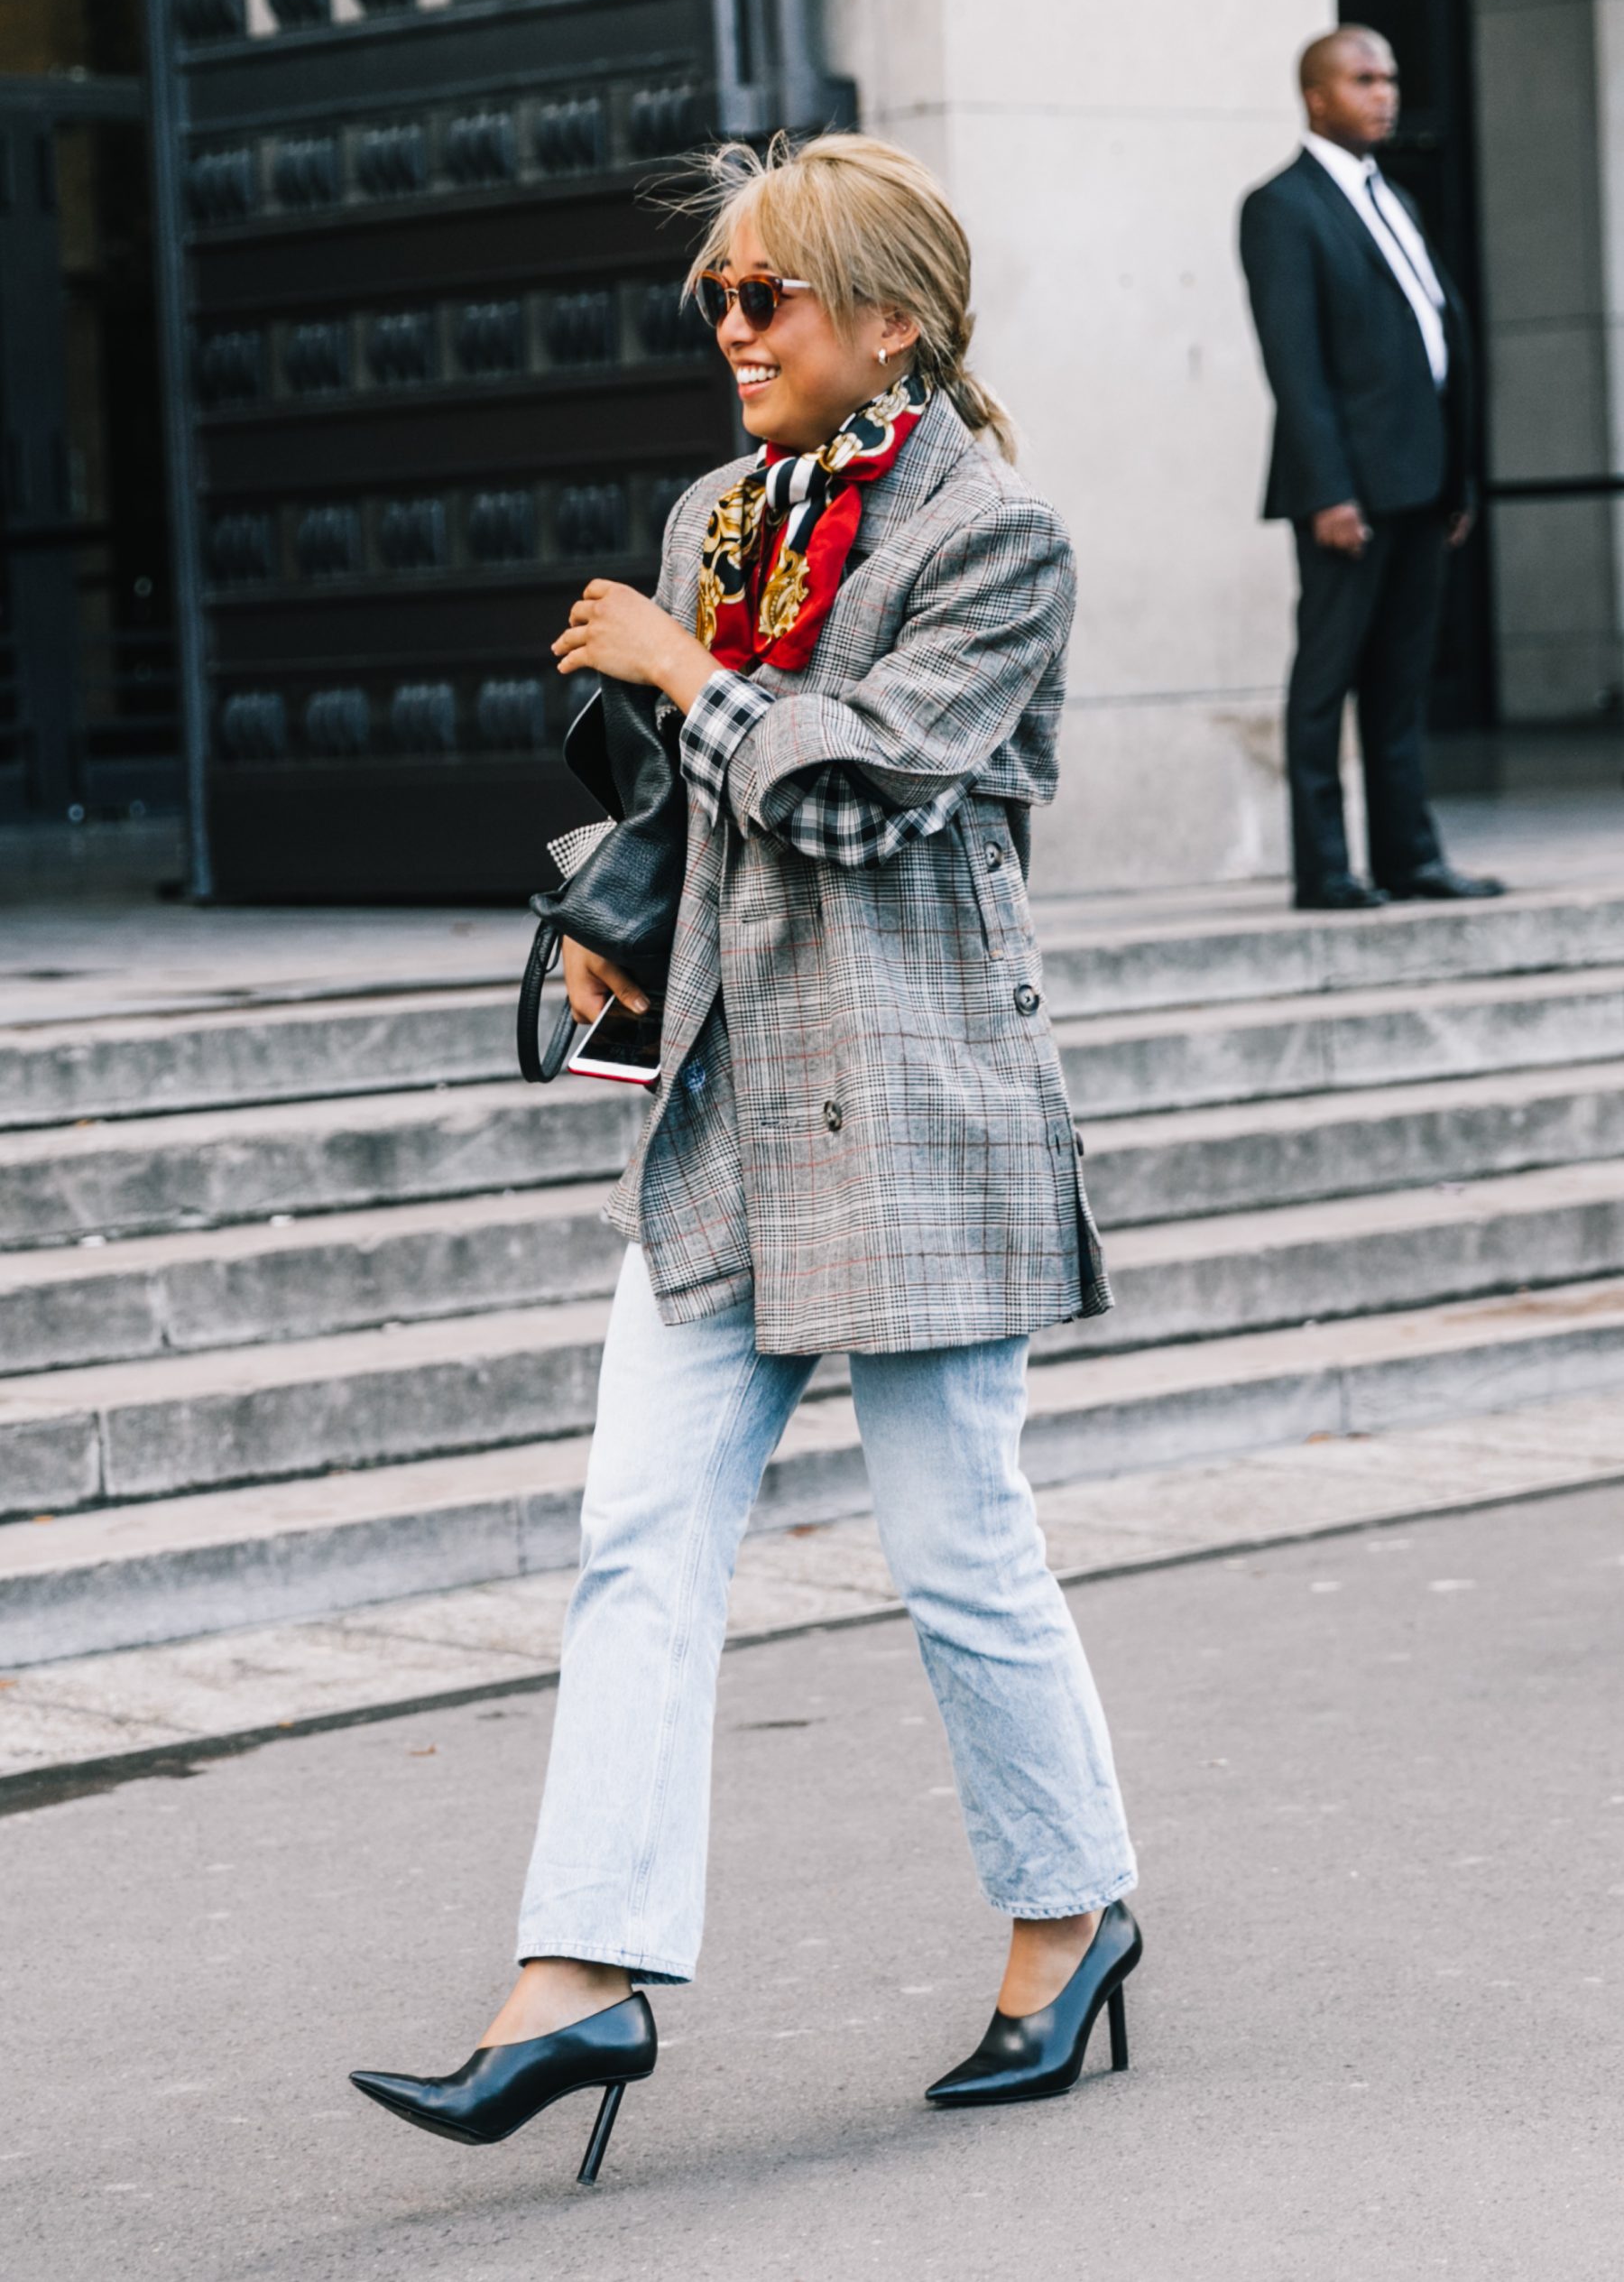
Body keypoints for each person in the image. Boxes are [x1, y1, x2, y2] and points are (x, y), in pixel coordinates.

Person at [349, 133, 1140, 2180]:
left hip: (918, 1098)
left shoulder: (998, 532)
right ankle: (580, 1974)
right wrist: (633, 936)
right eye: (713, 298)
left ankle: (1070, 1917)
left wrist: (689, 672)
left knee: (960, 1547)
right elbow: (709, 807)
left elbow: (866, 795)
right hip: (725, 1089)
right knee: (637, 1534)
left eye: (763, 295)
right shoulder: (719, 516)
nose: (727, 329)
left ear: (889, 314)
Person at [1239, 24, 1504, 910]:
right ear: (1318, 95)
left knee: (1399, 685)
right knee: (1328, 683)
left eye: (1389, 78)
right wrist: (1328, 492)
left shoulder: (1395, 198)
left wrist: (1457, 479)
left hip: (1424, 485)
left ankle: (1408, 857)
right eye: (1363, 79)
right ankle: (1325, 870)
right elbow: (1296, 364)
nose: (1384, 93)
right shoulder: (1282, 205)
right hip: (1349, 493)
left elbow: (1434, 339)